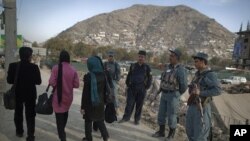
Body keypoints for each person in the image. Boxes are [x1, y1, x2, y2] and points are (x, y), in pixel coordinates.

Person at [152, 48, 188, 141]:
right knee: (161, 113)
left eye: (172, 56)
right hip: (164, 93)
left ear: (177, 58)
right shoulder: (168, 67)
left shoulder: (181, 70)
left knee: (172, 115)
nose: (170, 57)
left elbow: (183, 85)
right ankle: (161, 131)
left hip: (173, 95)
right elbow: (164, 79)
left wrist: (177, 94)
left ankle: (171, 135)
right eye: (170, 55)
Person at [7, 47, 42, 141]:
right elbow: (38, 81)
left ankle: (19, 132)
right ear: (30, 56)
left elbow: (9, 80)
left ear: (20, 55)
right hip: (30, 95)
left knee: (18, 113)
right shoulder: (34, 67)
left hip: (17, 94)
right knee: (30, 115)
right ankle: (30, 136)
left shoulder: (13, 66)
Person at [186, 52, 221, 141]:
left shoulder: (210, 74)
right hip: (192, 106)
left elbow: (217, 90)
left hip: (202, 108)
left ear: (203, 62)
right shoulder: (197, 74)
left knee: (200, 135)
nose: (195, 63)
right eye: (195, 61)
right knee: (190, 132)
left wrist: (200, 93)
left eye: (197, 61)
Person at [49, 50, 80, 141]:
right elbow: (77, 85)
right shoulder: (73, 69)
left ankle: (62, 136)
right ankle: (62, 131)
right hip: (68, 98)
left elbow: (51, 82)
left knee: (59, 118)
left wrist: (57, 84)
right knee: (65, 113)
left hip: (57, 97)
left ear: (60, 58)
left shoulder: (55, 68)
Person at [119, 50, 152, 125]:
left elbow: (150, 78)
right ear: (138, 57)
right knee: (129, 103)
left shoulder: (147, 67)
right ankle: (126, 117)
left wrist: (146, 87)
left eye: (142, 57)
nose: (140, 58)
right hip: (132, 88)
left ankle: (136, 119)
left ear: (145, 58)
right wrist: (128, 84)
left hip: (142, 89)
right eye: (139, 56)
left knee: (139, 105)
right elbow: (129, 75)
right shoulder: (133, 66)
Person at [81, 56, 109, 141]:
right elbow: (105, 91)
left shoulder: (88, 77)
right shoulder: (104, 76)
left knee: (88, 122)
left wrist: (82, 107)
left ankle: (89, 138)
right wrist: (104, 102)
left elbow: (85, 94)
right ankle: (105, 137)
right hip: (100, 103)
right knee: (100, 120)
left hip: (89, 103)